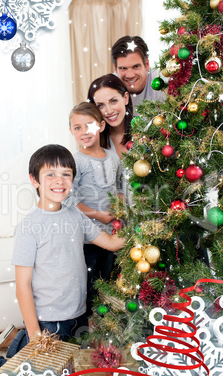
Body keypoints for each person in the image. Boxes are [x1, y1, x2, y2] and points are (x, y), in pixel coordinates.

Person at [0, 144, 124, 376]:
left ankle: (14, 341)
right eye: (51, 174)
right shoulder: (29, 227)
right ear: (35, 180)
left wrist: (145, 231)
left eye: (66, 174)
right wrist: (36, 336)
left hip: (77, 316)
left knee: (70, 373)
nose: (60, 180)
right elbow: (22, 286)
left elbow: (110, 242)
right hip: (48, 321)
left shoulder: (76, 216)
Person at [68, 102, 124, 315]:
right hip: (87, 237)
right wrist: (98, 214)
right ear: (71, 131)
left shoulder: (113, 157)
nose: (84, 132)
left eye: (89, 125)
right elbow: (70, 200)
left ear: (101, 126)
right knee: (89, 282)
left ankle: (106, 323)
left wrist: (119, 209)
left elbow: (118, 188)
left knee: (108, 278)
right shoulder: (75, 161)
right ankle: (87, 324)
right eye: (77, 127)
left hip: (112, 233)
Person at [88, 74, 133, 204]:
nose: (108, 111)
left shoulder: (147, 132)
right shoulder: (94, 143)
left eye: (113, 101)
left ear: (125, 98)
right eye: (100, 106)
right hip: (112, 220)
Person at [111, 35, 165, 107]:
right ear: (115, 69)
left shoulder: (164, 82)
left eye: (136, 67)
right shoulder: (108, 87)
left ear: (146, 64)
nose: (130, 75)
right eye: (123, 68)